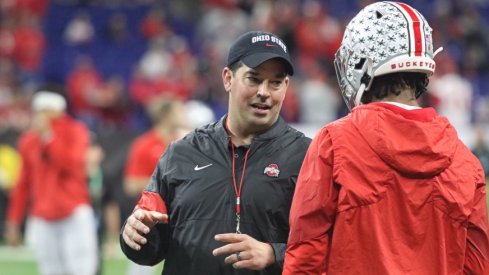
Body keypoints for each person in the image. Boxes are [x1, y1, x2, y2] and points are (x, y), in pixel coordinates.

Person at [283, 2, 489, 274]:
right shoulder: (466, 163)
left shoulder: (333, 143)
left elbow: (305, 258)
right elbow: (476, 267)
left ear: (363, 63)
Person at [120, 30, 311, 274]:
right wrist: (135, 234)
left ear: (286, 86)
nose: (264, 91)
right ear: (228, 78)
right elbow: (148, 247)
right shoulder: (181, 153)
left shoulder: (308, 156)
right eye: (253, 79)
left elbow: (329, 245)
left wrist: (274, 253)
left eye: (275, 82)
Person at [4, 91, 99, 275]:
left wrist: (49, 137)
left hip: (73, 210)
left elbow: (73, 166)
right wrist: (13, 220)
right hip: (44, 215)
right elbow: (23, 184)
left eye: (46, 111)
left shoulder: (75, 131)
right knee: (50, 270)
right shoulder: (29, 141)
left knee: (81, 268)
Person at [123, 97, 188, 275]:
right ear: (167, 116)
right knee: (140, 268)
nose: (183, 115)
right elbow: (130, 184)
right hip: (151, 217)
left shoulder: (187, 142)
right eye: (178, 111)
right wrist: (166, 183)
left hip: (182, 215)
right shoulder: (144, 144)